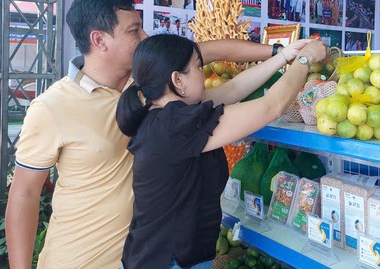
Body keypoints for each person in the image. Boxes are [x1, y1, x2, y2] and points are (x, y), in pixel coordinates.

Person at [5, 0, 293, 269]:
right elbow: (25, 195)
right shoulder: (52, 108)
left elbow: (212, 50)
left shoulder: (150, 88)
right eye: (134, 31)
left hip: (145, 255)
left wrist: (279, 51)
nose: (145, 37)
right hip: (81, 259)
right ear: (99, 40)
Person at [116, 34, 326, 268]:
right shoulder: (175, 125)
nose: (202, 74)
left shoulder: (164, 114)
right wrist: (305, 60)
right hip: (168, 261)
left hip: (164, 256)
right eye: (198, 67)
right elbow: (271, 107)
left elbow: (234, 88)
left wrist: (285, 56)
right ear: (177, 80)